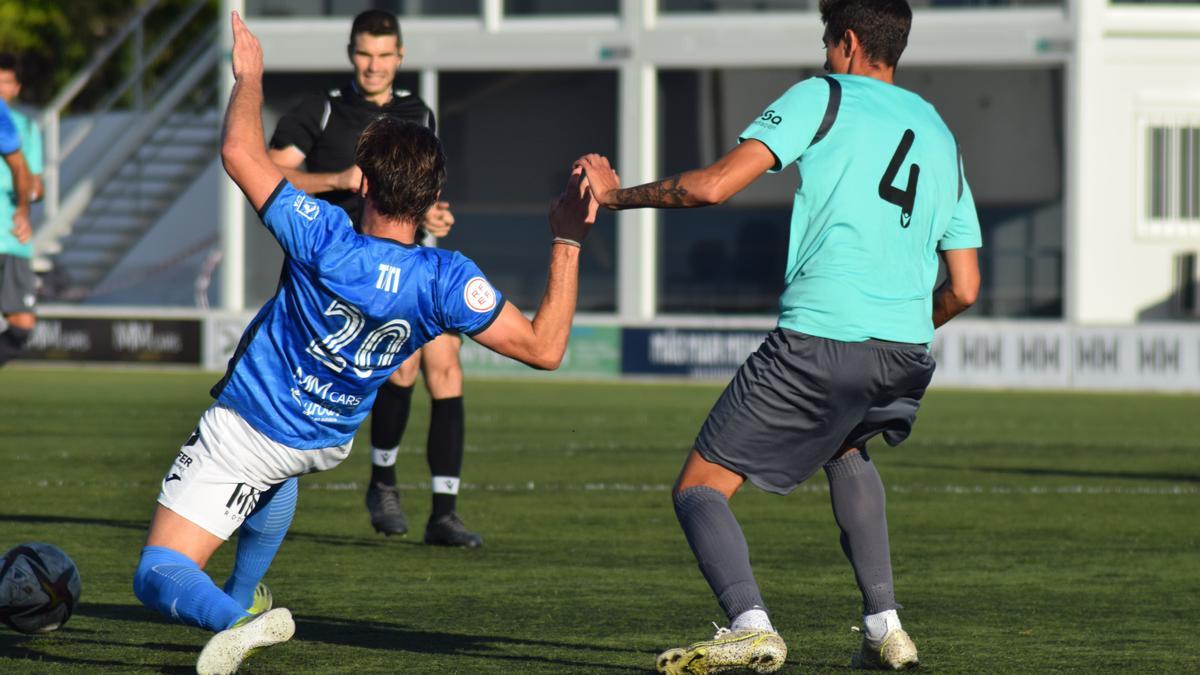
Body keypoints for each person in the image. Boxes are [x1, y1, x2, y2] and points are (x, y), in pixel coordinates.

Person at [132, 12, 596, 674]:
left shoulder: (324, 235)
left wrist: (251, 76)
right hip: (322, 440)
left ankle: (240, 618)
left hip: (249, 424)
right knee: (274, 478)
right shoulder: (446, 278)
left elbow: (241, 153)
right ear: (432, 195)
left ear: (366, 185)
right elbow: (546, 347)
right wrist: (568, 237)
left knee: (156, 571)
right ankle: (244, 592)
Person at [579, 1, 980, 671]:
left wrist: (614, 197)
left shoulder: (820, 94)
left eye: (828, 42)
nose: (824, 55)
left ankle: (750, 622)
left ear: (847, 42)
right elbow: (965, 286)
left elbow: (711, 187)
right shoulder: (938, 129)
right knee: (846, 447)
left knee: (698, 486)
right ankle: (885, 627)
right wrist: (895, 324)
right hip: (906, 349)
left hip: (821, 336)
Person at [266, 9, 478, 547]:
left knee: (446, 368)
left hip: (411, 256)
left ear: (400, 58)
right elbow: (268, 173)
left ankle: (444, 512)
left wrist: (435, 214)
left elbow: (423, 189)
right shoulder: (322, 109)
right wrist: (335, 178)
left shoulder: (416, 113)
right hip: (346, 263)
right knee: (404, 367)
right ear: (350, 53)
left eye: (385, 55)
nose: (374, 65)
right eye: (365, 53)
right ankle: (383, 482)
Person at [0, 52, 37, 366]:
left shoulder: (18, 124)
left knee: (22, 324)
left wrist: (24, 207)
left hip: (9, 236)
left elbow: (22, 167)